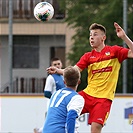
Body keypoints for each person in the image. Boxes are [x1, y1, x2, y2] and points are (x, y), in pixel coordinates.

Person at [46, 22, 133, 133]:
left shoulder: (114, 51)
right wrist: (58, 70)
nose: (91, 37)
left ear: (103, 37)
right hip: (87, 95)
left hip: (103, 99)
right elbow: (73, 71)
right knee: (63, 111)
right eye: (90, 35)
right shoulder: (88, 56)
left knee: (95, 128)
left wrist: (124, 37)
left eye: (95, 34)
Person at [43, 66, 85, 133]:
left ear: (64, 82)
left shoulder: (55, 94)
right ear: (79, 82)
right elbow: (71, 116)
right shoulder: (76, 98)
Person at [34, 57, 65, 133]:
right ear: (52, 66)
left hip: (62, 104)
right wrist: (56, 99)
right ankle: (40, 130)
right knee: (52, 124)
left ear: (61, 64)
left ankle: (39, 130)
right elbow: (47, 93)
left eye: (58, 64)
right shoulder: (51, 78)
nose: (57, 66)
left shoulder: (63, 76)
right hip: (53, 105)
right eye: (55, 64)